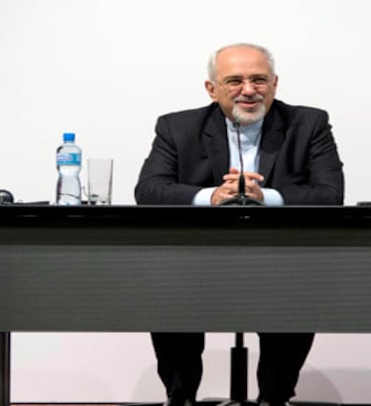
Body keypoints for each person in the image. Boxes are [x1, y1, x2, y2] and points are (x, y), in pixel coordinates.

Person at [134, 43, 345, 406]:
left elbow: (330, 194)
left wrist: (267, 196)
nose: (249, 90)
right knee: (168, 286)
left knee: (296, 286)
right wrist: (212, 196)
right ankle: (180, 397)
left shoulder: (309, 124)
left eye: (259, 80)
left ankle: (273, 399)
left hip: (280, 258)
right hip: (196, 258)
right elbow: (149, 190)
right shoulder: (177, 126)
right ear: (211, 88)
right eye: (234, 81)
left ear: (275, 84)